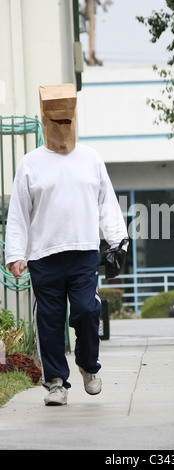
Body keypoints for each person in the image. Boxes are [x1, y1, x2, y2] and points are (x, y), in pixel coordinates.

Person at [5, 84, 128, 406]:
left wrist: (119, 243)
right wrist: (16, 254)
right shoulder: (30, 163)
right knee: (49, 320)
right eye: (56, 121)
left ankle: (88, 365)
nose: (62, 127)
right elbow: (18, 212)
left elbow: (107, 204)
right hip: (44, 256)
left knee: (88, 311)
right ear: (47, 121)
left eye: (66, 121)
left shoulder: (91, 158)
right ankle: (56, 382)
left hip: (84, 252)